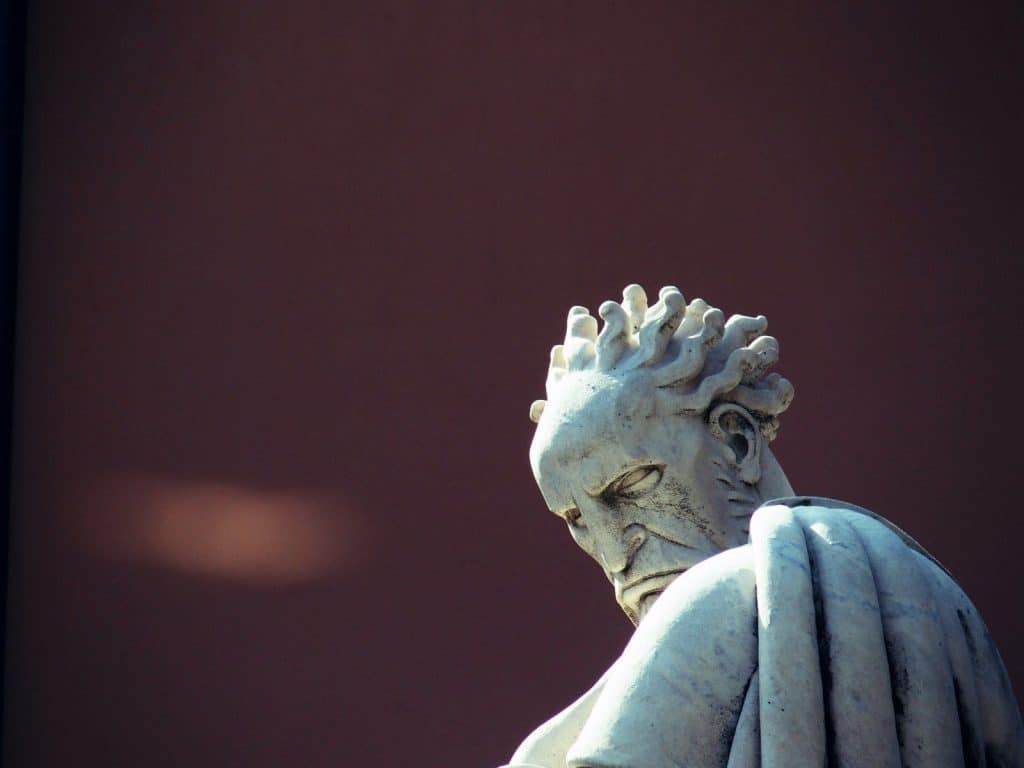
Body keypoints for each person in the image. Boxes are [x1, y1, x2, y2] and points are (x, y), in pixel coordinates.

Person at [504, 285, 1023, 768]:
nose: (616, 554)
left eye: (634, 485)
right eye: (577, 520)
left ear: (737, 442)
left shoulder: (721, 595)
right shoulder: (943, 606)